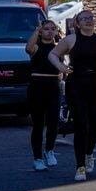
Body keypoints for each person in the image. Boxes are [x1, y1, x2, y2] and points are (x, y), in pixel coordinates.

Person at [57, 9, 96, 181]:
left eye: (90, 18)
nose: (88, 21)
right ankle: (80, 166)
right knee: (80, 125)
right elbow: (53, 54)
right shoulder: (71, 39)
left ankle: (89, 153)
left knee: (95, 126)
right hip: (76, 84)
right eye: (83, 19)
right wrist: (63, 68)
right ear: (77, 23)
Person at [25, 21, 64, 168]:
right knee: (38, 124)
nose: (50, 31)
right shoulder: (36, 46)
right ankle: (37, 158)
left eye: (53, 29)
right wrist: (37, 30)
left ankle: (49, 150)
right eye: (46, 29)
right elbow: (28, 48)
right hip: (37, 86)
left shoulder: (58, 48)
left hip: (54, 86)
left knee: (53, 122)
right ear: (41, 31)